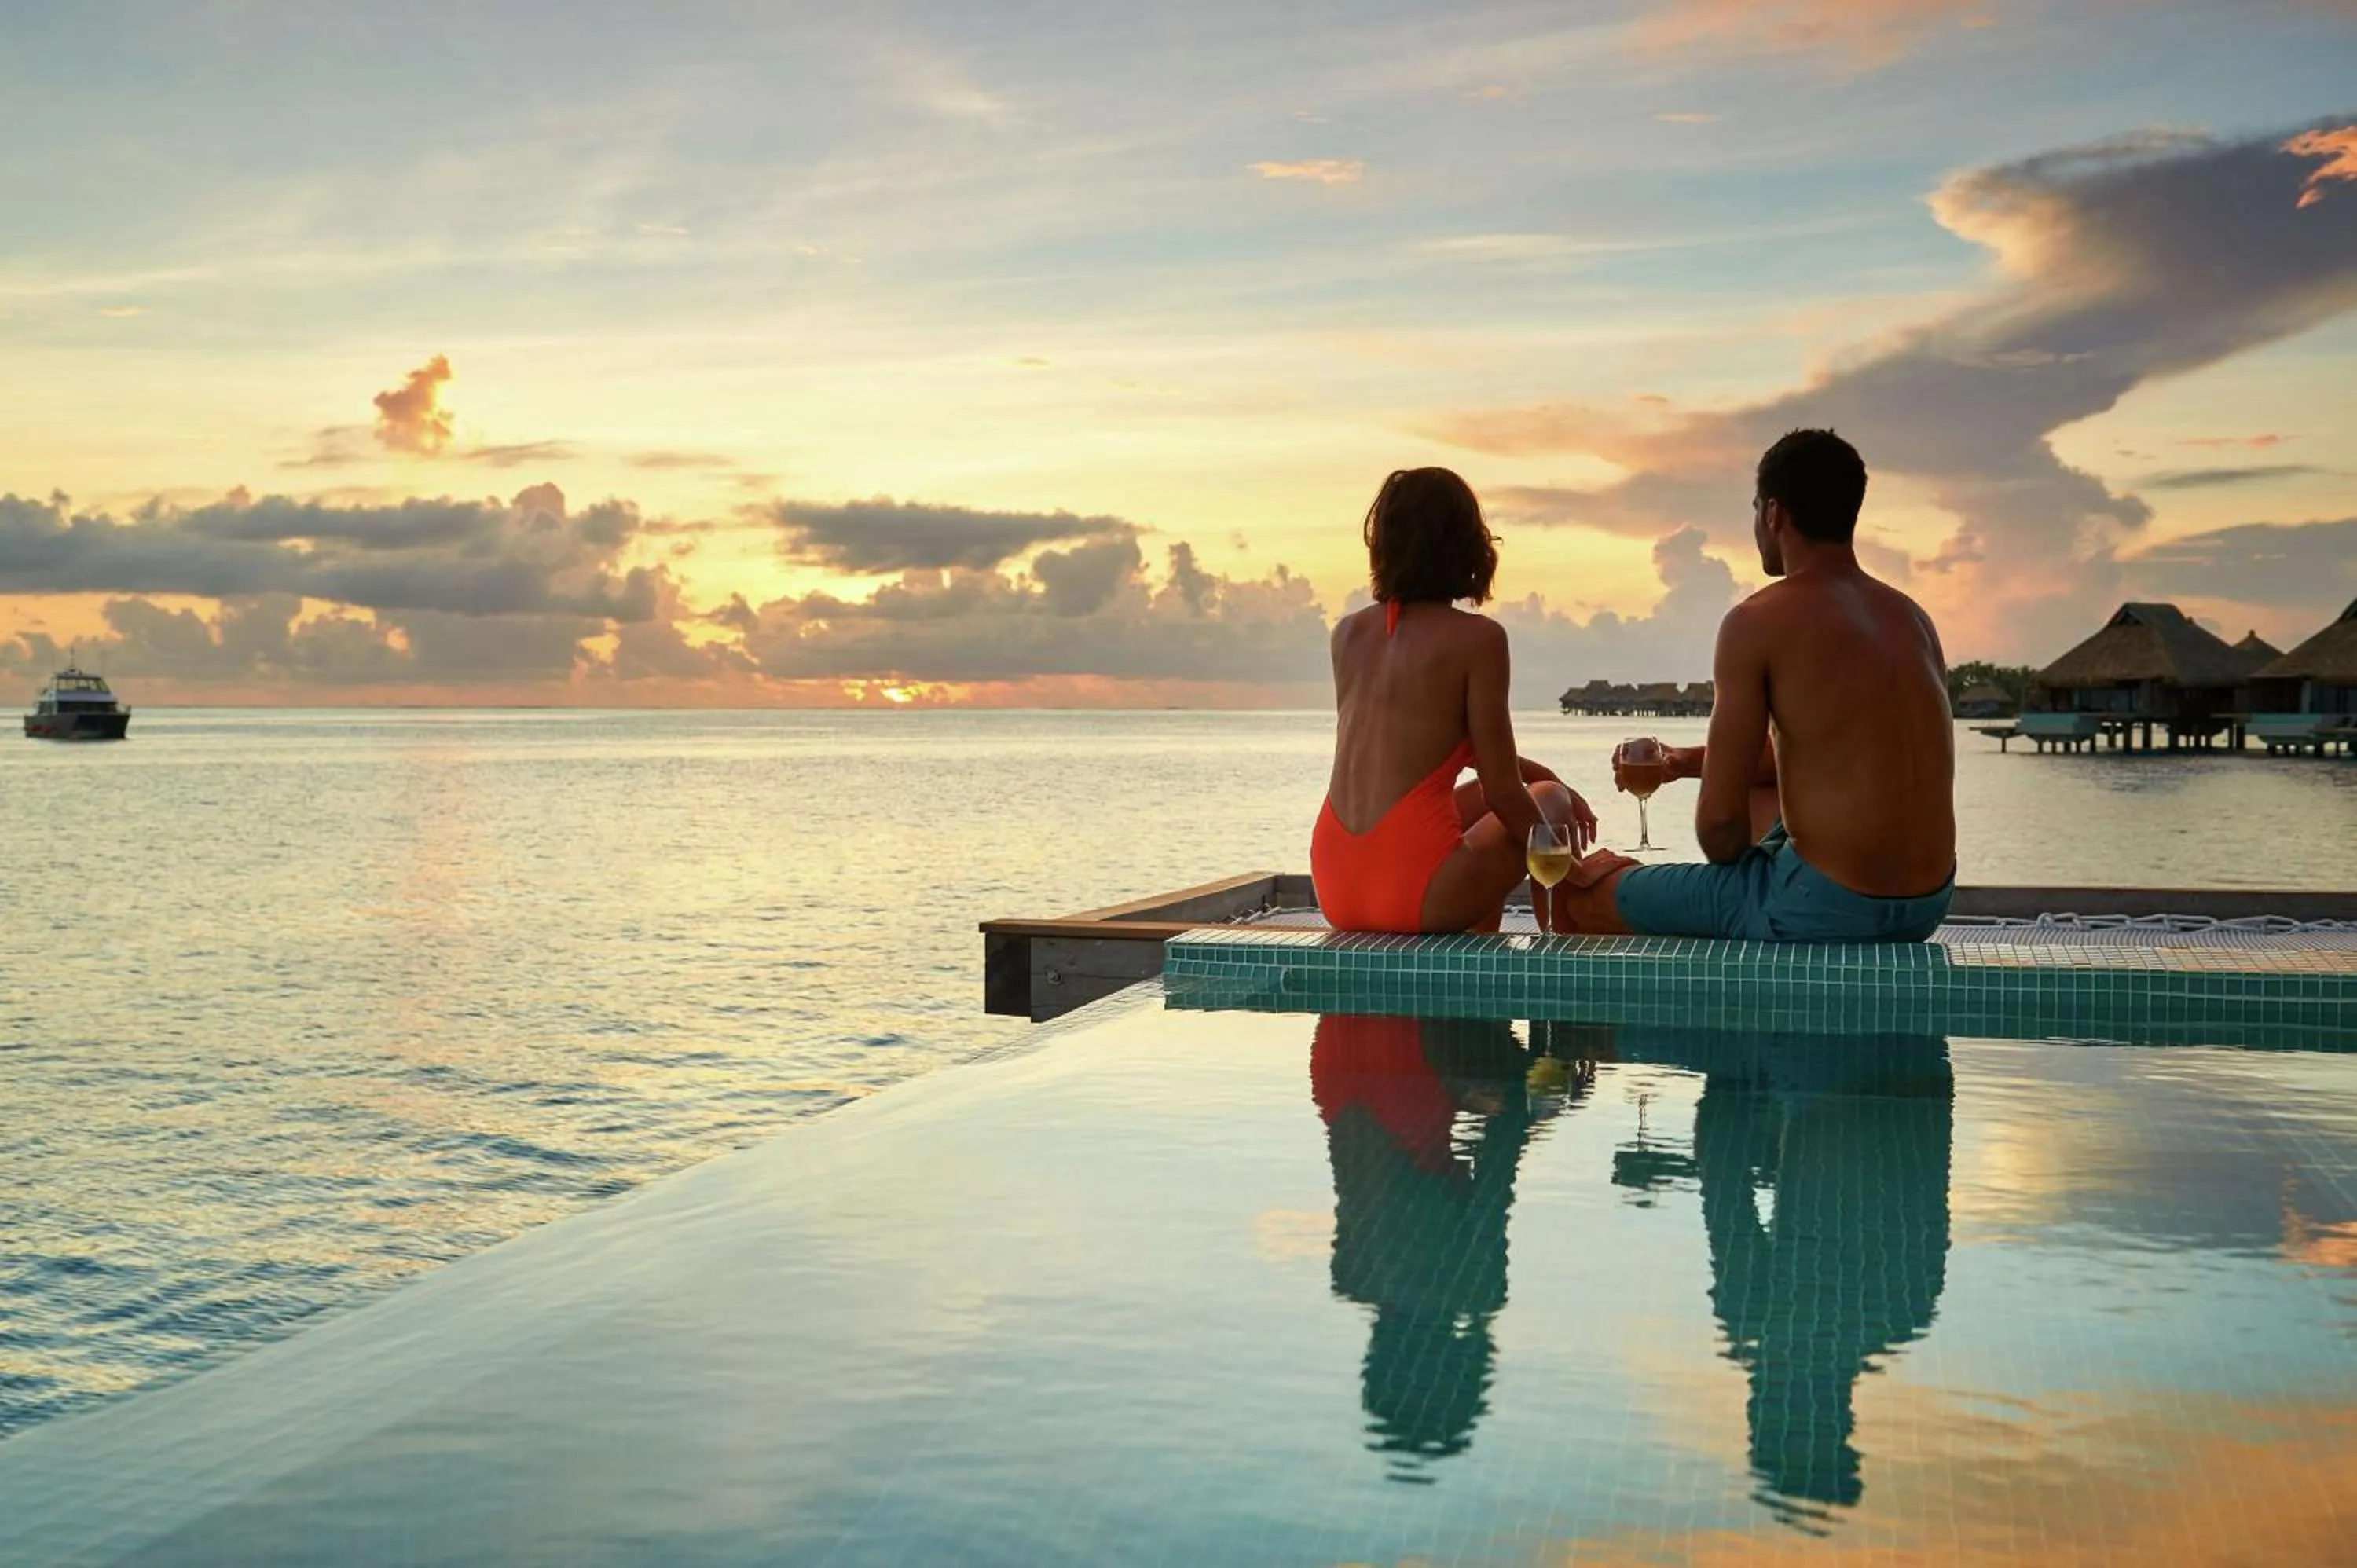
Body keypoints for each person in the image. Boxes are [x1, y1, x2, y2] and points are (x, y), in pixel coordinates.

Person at [1556, 430, 1956, 941]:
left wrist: (1640, 877)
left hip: (1822, 908)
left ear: (1773, 513)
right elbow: (1830, 746)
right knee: (1764, 799)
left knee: (1582, 896)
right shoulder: (1911, 617)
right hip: (1927, 905)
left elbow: (1717, 834)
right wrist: (1679, 762)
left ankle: (1645, 1013)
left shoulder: (1757, 621)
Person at [1313, 467, 1598, 934]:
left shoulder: (1347, 633)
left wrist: (1546, 773)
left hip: (1337, 886)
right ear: (1467, 545)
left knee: (1510, 800)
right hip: (1414, 894)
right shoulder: (1479, 639)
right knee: (1549, 802)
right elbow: (1504, 791)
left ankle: (1475, 942)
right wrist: (1570, 862)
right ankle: (1564, 937)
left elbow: (1433, 744)